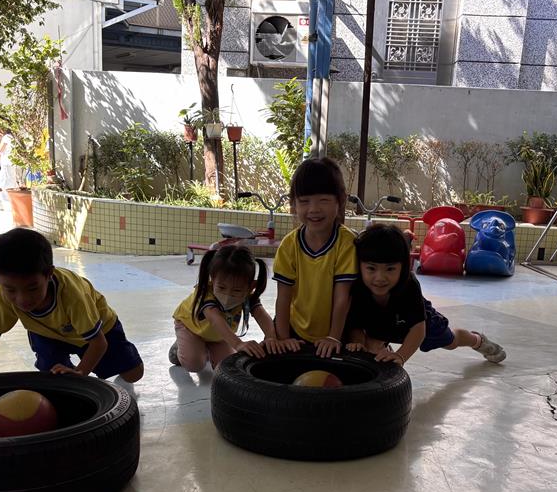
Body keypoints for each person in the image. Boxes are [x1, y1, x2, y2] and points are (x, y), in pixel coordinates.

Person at [0, 228, 144, 383]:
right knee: (53, 378)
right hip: (47, 334)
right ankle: (65, 370)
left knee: (133, 375)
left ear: (49, 274)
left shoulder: (72, 295)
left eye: (32, 288)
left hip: (99, 330)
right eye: (11, 290)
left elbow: (99, 343)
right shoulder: (1, 295)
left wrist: (80, 373)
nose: (22, 299)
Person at [345, 223, 506, 365]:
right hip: (382, 325)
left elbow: (418, 329)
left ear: (403, 267)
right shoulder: (356, 286)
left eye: (390, 269)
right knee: (370, 346)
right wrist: (357, 341)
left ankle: (477, 340)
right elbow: (355, 321)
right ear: (360, 266)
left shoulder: (408, 285)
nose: (380, 278)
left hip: (422, 324)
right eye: (371, 268)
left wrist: (401, 355)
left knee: (451, 342)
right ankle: (383, 349)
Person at [268, 157, 358, 358]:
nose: (314, 209)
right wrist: (283, 338)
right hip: (295, 329)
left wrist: (333, 337)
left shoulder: (346, 243)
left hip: (338, 332)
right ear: (294, 204)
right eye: (304, 201)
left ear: (340, 201)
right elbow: (283, 298)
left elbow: (342, 297)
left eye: (323, 200)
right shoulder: (289, 245)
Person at [170, 245, 277, 371]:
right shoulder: (205, 293)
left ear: (251, 286)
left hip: (218, 335)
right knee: (195, 364)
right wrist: (238, 344)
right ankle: (178, 350)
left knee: (227, 365)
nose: (228, 294)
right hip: (190, 327)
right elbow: (215, 319)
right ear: (213, 278)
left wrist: (271, 337)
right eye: (221, 287)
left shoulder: (247, 296)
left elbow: (261, 315)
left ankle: (205, 347)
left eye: (237, 290)